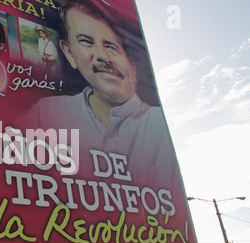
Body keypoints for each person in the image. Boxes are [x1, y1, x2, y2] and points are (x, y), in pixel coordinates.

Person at [26, 0, 177, 186]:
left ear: (133, 66)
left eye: (112, 47)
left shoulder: (157, 128)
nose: (103, 57)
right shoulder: (46, 114)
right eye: (86, 42)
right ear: (69, 53)